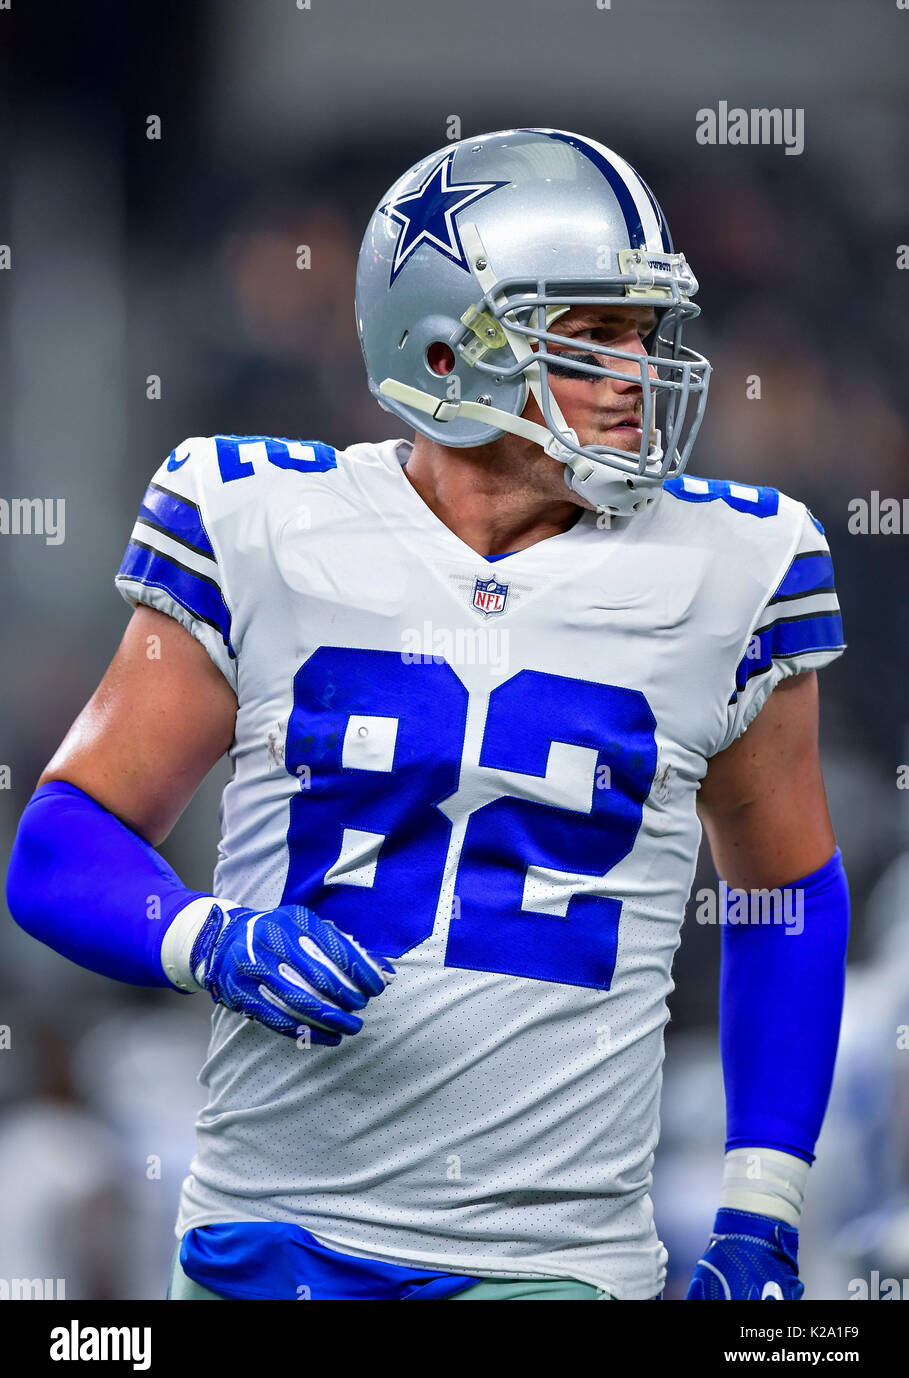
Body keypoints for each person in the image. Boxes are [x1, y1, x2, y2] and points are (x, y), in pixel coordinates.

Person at [6, 128, 849, 1301]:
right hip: (269, 1241)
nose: (635, 380)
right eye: (592, 337)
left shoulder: (736, 562)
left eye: (645, 337)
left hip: (554, 1266)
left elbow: (784, 893)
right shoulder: (259, 521)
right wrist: (210, 938)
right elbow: (59, 841)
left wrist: (763, 1210)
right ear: (449, 349)